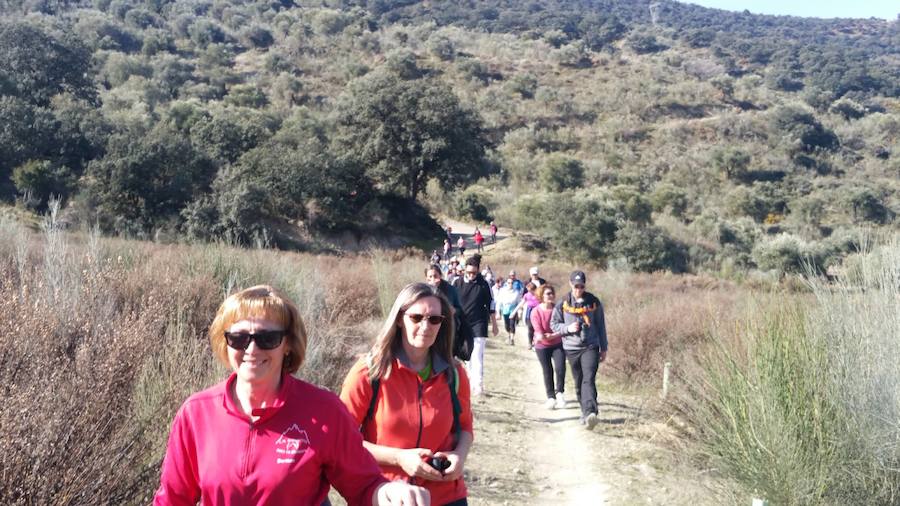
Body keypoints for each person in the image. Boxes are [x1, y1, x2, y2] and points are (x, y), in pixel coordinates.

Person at [154, 285, 429, 506]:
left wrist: (390, 494)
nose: (251, 349)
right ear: (225, 343)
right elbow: (172, 499)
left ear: (287, 344)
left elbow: (365, 486)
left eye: (267, 338)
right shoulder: (196, 413)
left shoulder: (324, 411)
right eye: (238, 338)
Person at [340, 283, 474, 506]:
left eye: (434, 320)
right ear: (400, 319)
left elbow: (465, 428)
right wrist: (399, 458)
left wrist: (459, 457)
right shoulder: (369, 372)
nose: (425, 326)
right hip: (387, 494)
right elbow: (342, 440)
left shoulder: (455, 374)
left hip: (446, 497)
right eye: (416, 317)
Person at [550, 271, 608, 430]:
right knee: (578, 381)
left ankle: (591, 413)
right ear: (570, 284)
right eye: (576, 286)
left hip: (590, 346)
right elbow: (554, 324)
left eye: (582, 286)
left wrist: (604, 348)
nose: (579, 289)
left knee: (588, 379)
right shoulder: (563, 303)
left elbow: (601, 326)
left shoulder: (593, 302)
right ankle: (585, 411)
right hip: (571, 348)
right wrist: (567, 328)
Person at [452, 255, 498, 397]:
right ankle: (469, 379)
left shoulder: (483, 284)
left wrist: (494, 324)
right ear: (464, 270)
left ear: (478, 271)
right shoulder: (456, 283)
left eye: (474, 273)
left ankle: (478, 385)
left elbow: (491, 304)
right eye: (469, 272)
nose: (471, 275)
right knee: (465, 355)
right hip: (461, 323)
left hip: (479, 324)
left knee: (477, 355)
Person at [425, 264, 473, 361]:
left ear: (440, 276)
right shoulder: (424, 290)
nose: (433, 278)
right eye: (430, 276)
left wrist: (452, 310)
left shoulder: (450, 289)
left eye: (435, 275)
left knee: (447, 357)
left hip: (448, 328)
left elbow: (459, 309)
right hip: (431, 325)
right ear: (426, 278)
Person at [530, 284, 567, 410]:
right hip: (542, 346)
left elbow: (564, 328)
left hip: (558, 344)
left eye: (552, 293)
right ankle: (551, 397)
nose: (550, 295)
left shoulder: (559, 309)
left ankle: (560, 393)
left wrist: (552, 335)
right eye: (547, 293)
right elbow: (540, 335)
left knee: (560, 367)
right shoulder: (536, 311)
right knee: (548, 370)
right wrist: (554, 334)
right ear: (541, 296)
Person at [512, 282, 539, 350]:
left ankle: (536, 342)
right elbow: (521, 303)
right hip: (529, 313)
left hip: (537, 312)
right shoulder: (527, 295)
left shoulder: (539, 295)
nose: (529, 291)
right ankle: (530, 343)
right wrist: (514, 312)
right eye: (528, 290)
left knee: (537, 328)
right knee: (530, 328)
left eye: (531, 290)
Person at [497, 277, 522, 345]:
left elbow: (519, 302)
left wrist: (519, 312)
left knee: (512, 324)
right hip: (505, 309)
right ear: (506, 283)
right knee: (507, 325)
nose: (510, 284)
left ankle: (512, 339)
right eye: (509, 283)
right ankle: (509, 334)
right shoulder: (502, 291)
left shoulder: (516, 292)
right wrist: (498, 312)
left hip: (513, 309)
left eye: (512, 283)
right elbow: (499, 302)